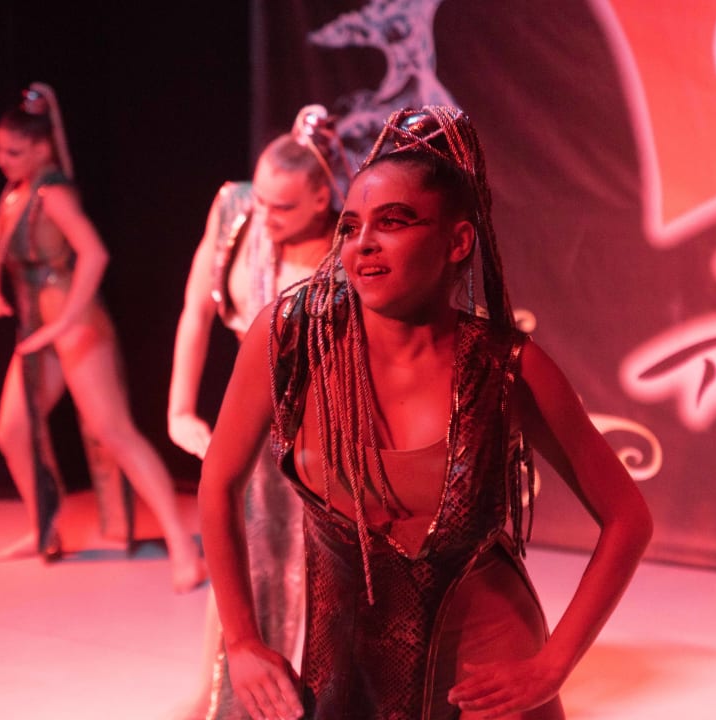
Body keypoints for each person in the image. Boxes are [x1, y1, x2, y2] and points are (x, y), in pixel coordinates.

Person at [198, 105, 653, 718]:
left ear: (458, 241)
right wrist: (242, 641)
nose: (364, 243)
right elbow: (217, 483)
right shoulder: (291, 337)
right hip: (348, 676)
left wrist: (552, 665)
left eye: (392, 221)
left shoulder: (506, 367)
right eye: (351, 226)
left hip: (488, 681)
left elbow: (627, 517)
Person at [0, 81, 205, 592]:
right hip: (39, 327)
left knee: (113, 430)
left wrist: (62, 323)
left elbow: (95, 255)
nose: (2, 160)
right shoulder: (14, 194)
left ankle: (183, 548)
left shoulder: (53, 194)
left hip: (75, 324)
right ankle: (44, 527)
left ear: (41, 149)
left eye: (13, 152)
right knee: (11, 430)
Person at [168, 105, 351, 717]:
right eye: (263, 200)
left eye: (283, 207)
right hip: (248, 418)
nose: (265, 216)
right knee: (240, 557)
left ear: (322, 197)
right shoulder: (236, 209)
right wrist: (179, 408)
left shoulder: (349, 245)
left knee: (313, 574)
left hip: (319, 431)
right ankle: (228, 699)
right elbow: (197, 309)